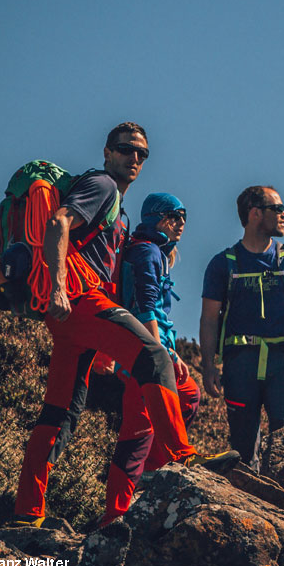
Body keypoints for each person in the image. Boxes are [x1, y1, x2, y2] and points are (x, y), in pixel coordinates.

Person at [10, 123, 238, 527]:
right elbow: (59, 223)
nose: (134, 158)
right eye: (126, 149)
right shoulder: (102, 186)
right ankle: (183, 454)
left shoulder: (118, 207)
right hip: (78, 300)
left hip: (72, 321)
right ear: (107, 152)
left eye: (142, 153)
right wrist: (59, 288)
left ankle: (28, 513)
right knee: (154, 357)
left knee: (59, 412)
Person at [96, 192, 202, 528]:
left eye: (184, 217)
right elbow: (145, 306)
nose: (182, 223)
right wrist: (162, 354)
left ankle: (121, 506)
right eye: (176, 216)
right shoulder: (147, 252)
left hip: (139, 353)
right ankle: (140, 488)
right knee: (142, 428)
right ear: (158, 217)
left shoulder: (151, 250)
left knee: (139, 430)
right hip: (144, 354)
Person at [199, 185, 284, 471]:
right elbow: (209, 319)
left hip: (281, 361)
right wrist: (209, 366)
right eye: (277, 209)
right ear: (255, 214)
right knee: (242, 445)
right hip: (240, 363)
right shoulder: (222, 263)